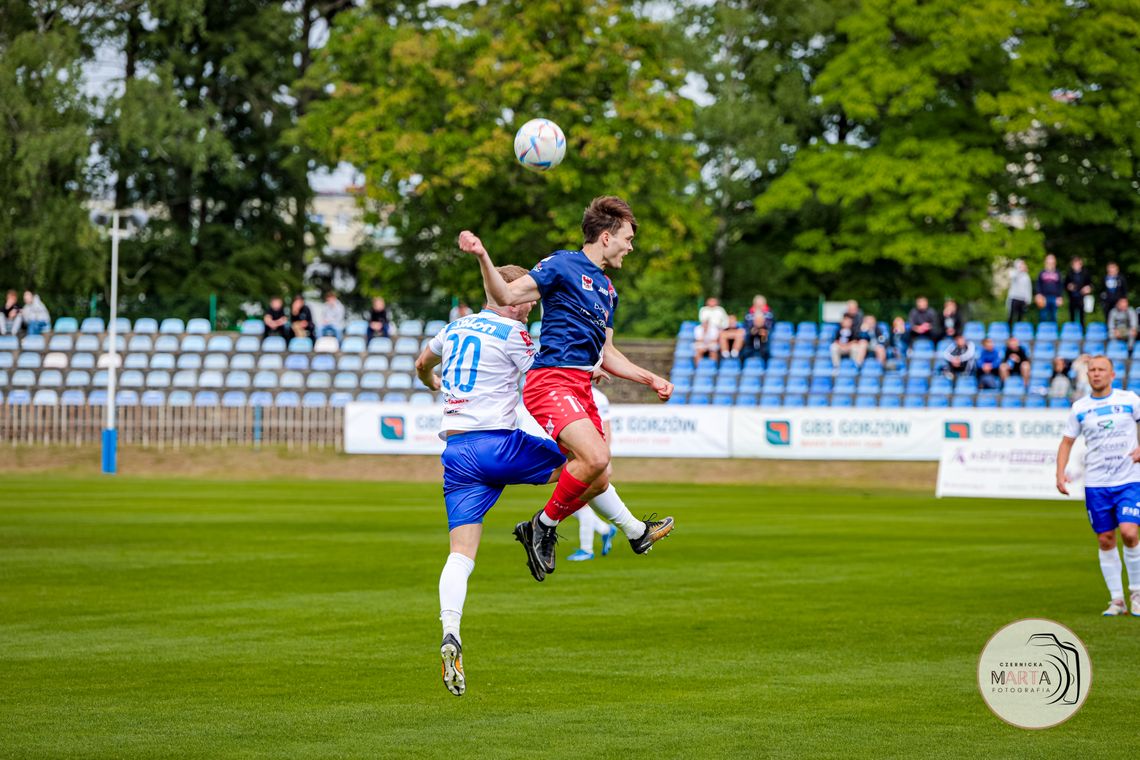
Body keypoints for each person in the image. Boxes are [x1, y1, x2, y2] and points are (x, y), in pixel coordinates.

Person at [459, 195, 675, 581]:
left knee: (599, 475)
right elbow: (507, 295)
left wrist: (649, 378)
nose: (631, 246)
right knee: (594, 458)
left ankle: (630, 532)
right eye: (627, 237)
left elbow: (607, 354)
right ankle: (542, 526)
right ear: (606, 237)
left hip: (580, 386)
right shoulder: (561, 264)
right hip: (551, 380)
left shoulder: (609, 292)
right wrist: (482, 255)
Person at [413, 264, 564, 696]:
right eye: (529, 303)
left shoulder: (453, 327)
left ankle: (450, 631)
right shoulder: (513, 334)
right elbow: (543, 375)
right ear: (510, 294)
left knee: (460, 555)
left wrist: (433, 382)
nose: (530, 311)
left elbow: (423, 364)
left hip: (457, 455)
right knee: (583, 464)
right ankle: (550, 528)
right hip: (497, 445)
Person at [1056, 356, 1140, 616]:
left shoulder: (1129, 400)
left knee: (1128, 532)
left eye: (1101, 369)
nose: (1096, 374)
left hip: (1128, 478)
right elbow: (1067, 442)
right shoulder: (1080, 407)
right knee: (1105, 539)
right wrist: (1060, 473)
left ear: (1112, 375)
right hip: (1096, 483)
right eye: (1092, 370)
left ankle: (1136, 592)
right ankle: (1117, 600)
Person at [567, 375, 619, 562]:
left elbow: (606, 429)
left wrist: (605, 459)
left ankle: (586, 549)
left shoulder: (597, 397)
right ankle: (604, 530)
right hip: (577, 456)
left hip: (590, 458)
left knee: (578, 502)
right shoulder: (570, 394)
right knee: (570, 502)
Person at [741, 295, 772, 366]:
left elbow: (765, 339)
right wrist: (752, 333)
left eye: (760, 320)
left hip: (763, 349)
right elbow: (747, 337)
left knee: (766, 353)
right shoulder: (750, 324)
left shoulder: (768, 317)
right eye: (757, 320)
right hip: (750, 348)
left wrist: (763, 335)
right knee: (744, 354)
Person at [1034, 254, 1064, 323]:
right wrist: (1038, 295)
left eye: (1052, 262)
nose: (1050, 264)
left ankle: (1053, 332)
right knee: (1043, 316)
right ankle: (1043, 332)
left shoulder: (1057, 273)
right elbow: (1038, 285)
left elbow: (1060, 286)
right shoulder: (1041, 273)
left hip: (1054, 298)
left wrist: (1060, 297)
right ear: (1045, 263)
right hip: (1043, 298)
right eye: (1048, 262)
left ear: (1054, 263)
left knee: (1053, 316)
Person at [1064, 257, 1093, 327]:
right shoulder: (1069, 274)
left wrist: (1087, 288)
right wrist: (1069, 287)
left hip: (1082, 298)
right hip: (1072, 298)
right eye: (1075, 264)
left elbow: (1090, 285)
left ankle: (1082, 332)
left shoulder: (1085, 273)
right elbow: (1065, 285)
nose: (1076, 266)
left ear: (1081, 264)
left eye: (1078, 264)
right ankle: (1073, 332)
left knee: (1082, 317)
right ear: (1072, 265)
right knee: (1072, 317)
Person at [1007, 259, 1032, 327]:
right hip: (1014, 298)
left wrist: (1028, 300)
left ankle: (1017, 332)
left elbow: (1028, 288)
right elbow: (1013, 276)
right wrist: (1019, 270)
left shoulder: (1026, 276)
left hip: (1022, 299)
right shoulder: (1013, 272)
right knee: (1011, 316)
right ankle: (1009, 333)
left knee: (1020, 317)